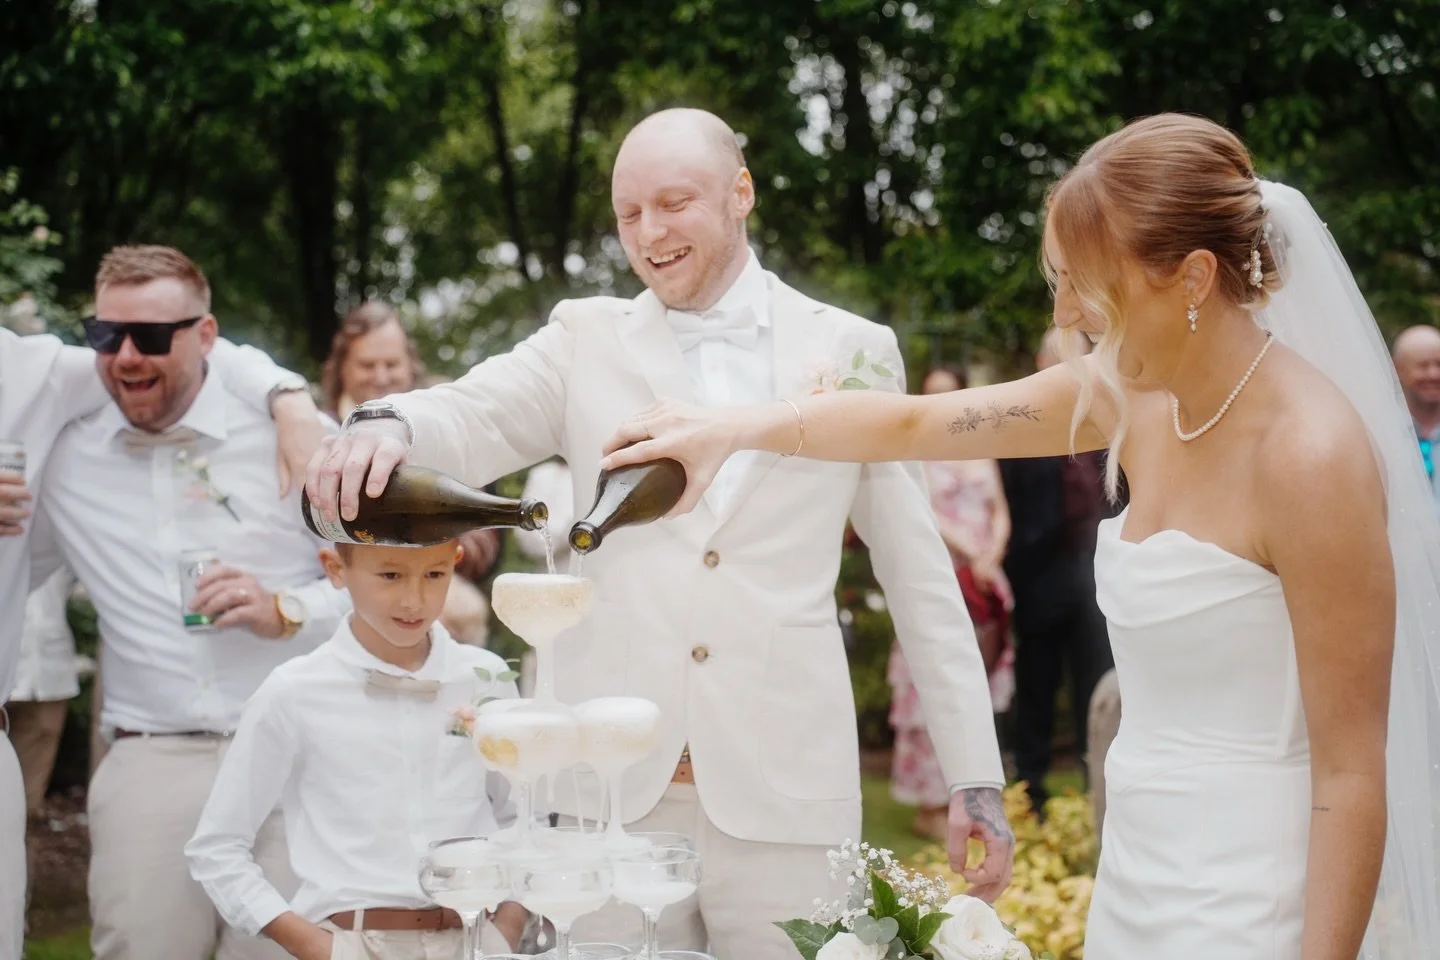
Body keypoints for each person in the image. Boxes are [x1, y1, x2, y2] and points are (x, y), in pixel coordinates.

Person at [599, 113, 1440, 959]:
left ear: (1191, 277)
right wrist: (729, 429)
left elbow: (1351, 775)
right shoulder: (1131, 396)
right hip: (1139, 873)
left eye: (1088, 282)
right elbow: (909, 425)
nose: (1067, 311)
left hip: (1261, 887)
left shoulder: (1310, 455)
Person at [307, 108, 1013, 959]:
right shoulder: (583, 339)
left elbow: (919, 578)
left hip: (790, 794)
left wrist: (975, 774)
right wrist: (386, 424)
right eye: (628, 212)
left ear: (741, 192)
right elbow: (468, 411)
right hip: (608, 800)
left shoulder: (855, 350)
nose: (649, 233)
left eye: (673, 203)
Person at [33, 245, 352, 960]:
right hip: (150, 761)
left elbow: (379, 579)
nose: (124, 358)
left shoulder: (296, 440)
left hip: (295, 756)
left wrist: (287, 610)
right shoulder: (65, 455)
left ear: (207, 337)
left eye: (149, 338)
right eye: (104, 336)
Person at [186, 539, 528, 960]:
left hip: (480, 940)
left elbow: (521, 815)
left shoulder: (486, 676)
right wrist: (313, 945)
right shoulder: (294, 691)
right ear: (335, 569)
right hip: (355, 943)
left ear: (455, 563)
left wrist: (507, 928)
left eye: (434, 574)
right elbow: (217, 846)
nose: (413, 599)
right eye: (390, 575)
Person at [321, 305, 502, 640]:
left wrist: (429, 552)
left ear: (410, 365)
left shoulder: (450, 426)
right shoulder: (322, 430)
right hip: (335, 604)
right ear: (342, 368)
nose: (380, 376)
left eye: (391, 364)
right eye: (366, 365)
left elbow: (488, 535)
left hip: (440, 608)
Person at [888, 366, 1012, 841]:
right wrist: (965, 546)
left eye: (950, 392)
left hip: (982, 578)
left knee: (978, 685)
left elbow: (1000, 511)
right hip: (939, 574)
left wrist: (991, 553)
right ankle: (929, 804)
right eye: (933, 393)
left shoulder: (979, 446)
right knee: (928, 687)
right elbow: (922, 514)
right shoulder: (915, 452)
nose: (942, 399)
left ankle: (975, 795)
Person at [998, 329, 1115, 814]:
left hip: (1096, 577)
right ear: (1041, 360)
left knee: (1097, 686)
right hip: (1040, 576)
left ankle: (1099, 791)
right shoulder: (1022, 422)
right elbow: (1007, 497)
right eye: (1061, 357)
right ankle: (1031, 792)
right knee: (1037, 688)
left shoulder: (1110, 416)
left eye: (1081, 357)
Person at [6, 567, 80, 819]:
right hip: (11, 669)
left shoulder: (67, 528)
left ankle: (21, 855)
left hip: (48, 673)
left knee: (28, 802)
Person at [1392, 324, 1440, 512]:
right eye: (1423, 366)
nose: (1433, 374)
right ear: (1398, 369)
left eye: (1439, 364)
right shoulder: (1384, 433)